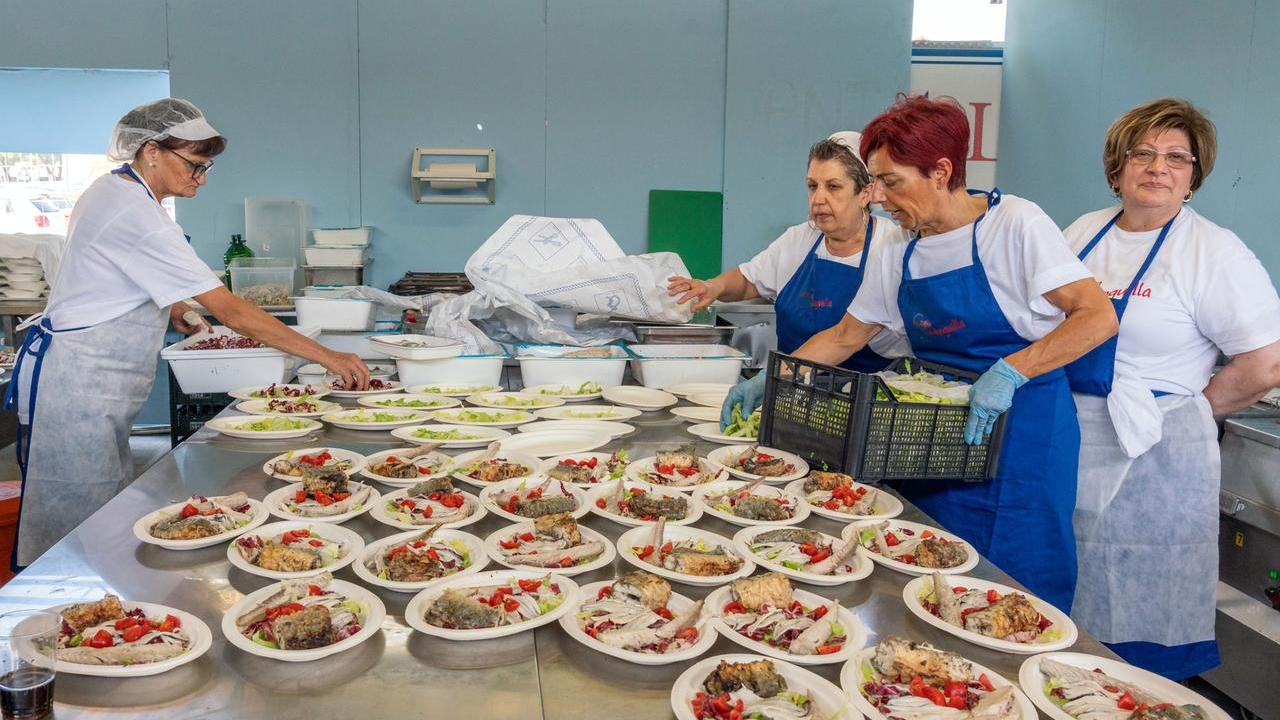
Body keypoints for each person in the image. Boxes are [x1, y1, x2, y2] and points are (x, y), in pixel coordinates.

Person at [731, 95, 1118, 612]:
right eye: (875, 182)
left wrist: (1009, 371)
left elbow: (1096, 316)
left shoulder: (1015, 225)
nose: (881, 198)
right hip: (935, 437)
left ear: (940, 171)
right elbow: (848, 334)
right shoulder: (899, 244)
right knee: (929, 572)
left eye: (892, 182)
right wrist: (779, 378)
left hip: (1023, 432)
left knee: (1015, 590)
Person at [6, 98, 370, 567]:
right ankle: (51, 603)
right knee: (75, 520)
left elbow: (115, 273)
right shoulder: (132, 210)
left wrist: (174, 303)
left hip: (98, 388)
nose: (199, 178)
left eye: (206, 168)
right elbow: (232, 311)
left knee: (105, 503)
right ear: (151, 150)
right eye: (194, 165)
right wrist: (328, 357)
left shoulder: (121, 193)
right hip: (78, 387)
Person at [1064, 98, 1280, 679]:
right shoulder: (1085, 231)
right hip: (1071, 438)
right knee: (1064, 601)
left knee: (1136, 614)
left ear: (1193, 177)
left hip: (1154, 459)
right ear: (1118, 169)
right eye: (1144, 153)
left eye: (1177, 157)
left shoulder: (1213, 251)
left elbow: (1267, 362)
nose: (1159, 167)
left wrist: (1184, 415)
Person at [668, 131, 907, 424]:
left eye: (833, 187)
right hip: (792, 396)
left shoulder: (892, 246)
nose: (819, 199)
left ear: (866, 193)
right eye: (812, 186)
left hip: (865, 411)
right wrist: (712, 287)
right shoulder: (800, 239)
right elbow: (749, 279)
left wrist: (774, 376)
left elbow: (844, 338)